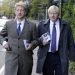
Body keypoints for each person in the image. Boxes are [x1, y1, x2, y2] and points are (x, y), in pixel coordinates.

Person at [0, 1, 37, 75]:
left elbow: (36, 39)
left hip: (26, 62)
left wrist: (32, 45)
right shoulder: (9, 24)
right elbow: (1, 35)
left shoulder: (32, 26)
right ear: (15, 11)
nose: (19, 12)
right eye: (17, 10)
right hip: (11, 61)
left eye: (21, 10)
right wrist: (4, 42)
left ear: (25, 12)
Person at [36, 5, 75, 75]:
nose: (52, 15)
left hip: (61, 56)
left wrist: (72, 57)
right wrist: (41, 42)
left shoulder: (66, 26)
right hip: (47, 56)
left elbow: (71, 42)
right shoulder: (41, 25)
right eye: (50, 13)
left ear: (58, 14)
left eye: (55, 13)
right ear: (48, 14)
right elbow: (36, 40)